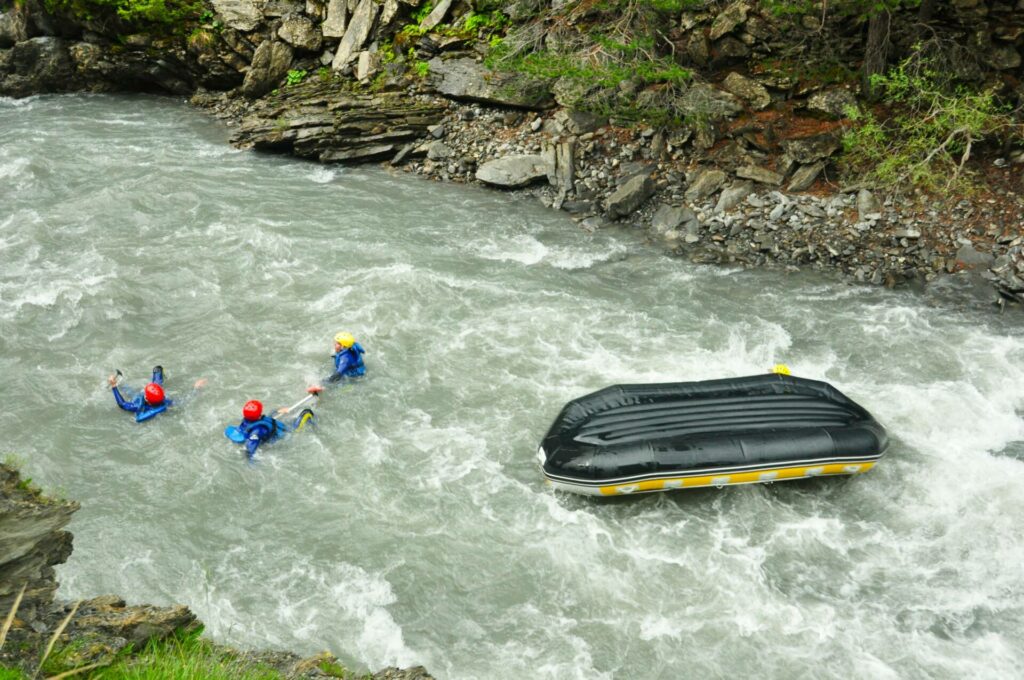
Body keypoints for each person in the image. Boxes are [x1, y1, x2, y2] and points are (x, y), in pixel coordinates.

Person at [108, 365, 206, 423]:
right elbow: (185, 400)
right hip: (152, 400)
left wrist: (113, 386)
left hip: (137, 397)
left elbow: (122, 404)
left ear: (145, 397)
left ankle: (115, 382)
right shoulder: (167, 402)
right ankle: (160, 373)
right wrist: (196, 389)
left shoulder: (138, 406)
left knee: (129, 390)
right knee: (157, 369)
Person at [228, 399, 314, 460]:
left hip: (274, 430)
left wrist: (277, 411)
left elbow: (264, 419)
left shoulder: (247, 420)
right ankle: (314, 424)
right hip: (287, 434)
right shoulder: (258, 430)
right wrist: (250, 461)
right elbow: (250, 448)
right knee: (307, 412)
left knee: (276, 414)